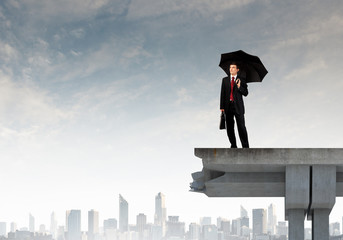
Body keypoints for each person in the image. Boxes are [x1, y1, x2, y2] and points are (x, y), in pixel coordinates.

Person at [220, 62, 249, 148]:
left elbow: (246, 93)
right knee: (229, 128)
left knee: (241, 127)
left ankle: (245, 146)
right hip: (227, 106)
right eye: (230, 67)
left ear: (237, 70)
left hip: (238, 107)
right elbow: (222, 94)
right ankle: (233, 145)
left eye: (233, 67)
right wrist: (221, 107)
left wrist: (239, 86)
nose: (231, 69)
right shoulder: (224, 80)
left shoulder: (242, 79)